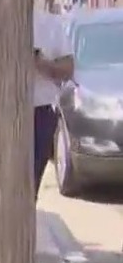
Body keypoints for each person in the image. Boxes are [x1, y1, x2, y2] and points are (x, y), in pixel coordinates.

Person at [33, 10, 73, 194]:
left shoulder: (50, 24)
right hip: (0, 110)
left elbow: (68, 68)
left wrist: (40, 63)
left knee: (32, 176)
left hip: (41, 110)